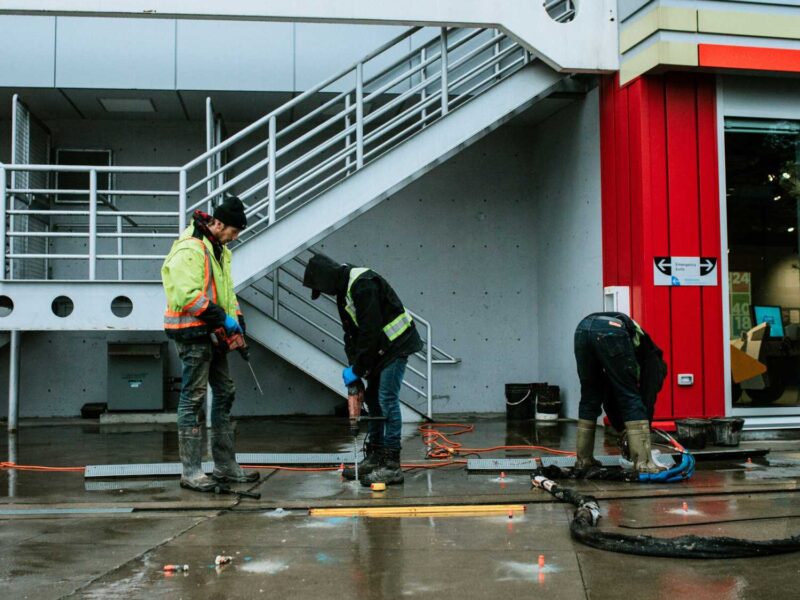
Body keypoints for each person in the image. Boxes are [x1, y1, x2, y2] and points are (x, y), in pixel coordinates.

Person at [161, 196, 259, 492]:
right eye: (233, 231)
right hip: (192, 333)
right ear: (218, 223)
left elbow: (225, 290)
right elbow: (188, 296)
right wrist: (223, 320)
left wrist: (236, 319)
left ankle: (225, 466)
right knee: (193, 398)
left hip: (213, 331)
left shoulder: (219, 249)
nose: (234, 237)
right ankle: (191, 472)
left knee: (225, 391)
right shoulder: (191, 247)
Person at [302, 253, 423, 486]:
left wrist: (358, 368)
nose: (325, 293)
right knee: (374, 401)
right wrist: (353, 368)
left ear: (327, 279)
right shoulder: (343, 291)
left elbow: (370, 331)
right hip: (380, 348)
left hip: (396, 345)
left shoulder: (362, 285)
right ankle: (375, 456)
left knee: (387, 399)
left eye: (321, 288)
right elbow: (351, 334)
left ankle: (391, 465)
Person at [573, 312, 668, 474]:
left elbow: (609, 392)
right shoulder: (653, 362)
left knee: (590, 395)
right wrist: (637, 425)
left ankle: (584, 460)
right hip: (610, 330)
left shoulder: (640, 348)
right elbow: (644, 398)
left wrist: (621, 426)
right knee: (630, 395)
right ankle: (644, 462)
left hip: (582, 328)